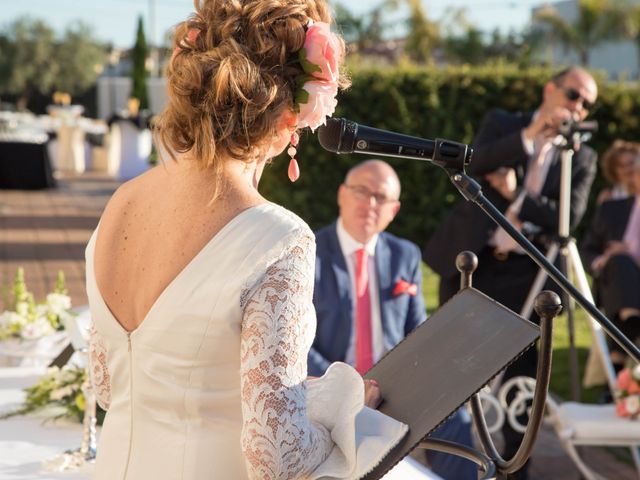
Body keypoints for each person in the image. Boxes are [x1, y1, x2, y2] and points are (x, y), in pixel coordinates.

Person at [86, 2, 407, 479]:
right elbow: (275, 456)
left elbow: (107, 385)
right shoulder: (278, 238)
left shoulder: (120, 204)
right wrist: (342, 412)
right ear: (289, 119)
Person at [424, 66, 598, 479]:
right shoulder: (504, 124)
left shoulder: (583, 156)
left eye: (588, 103)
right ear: (550, 89)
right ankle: (453, 466)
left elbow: (566, 220)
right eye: (574, 94)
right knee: (455, 371)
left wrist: (516, 194)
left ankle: (516, 472)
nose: (579, 106)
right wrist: (530, 135)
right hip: (475, 264)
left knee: (523, 381)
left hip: (529, 274)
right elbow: (474, 163)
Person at [310, 159, 476, 480]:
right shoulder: (310, 252)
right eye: (361, 192)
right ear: (342, 195)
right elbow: (298, 342)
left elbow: (419, 333)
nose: (370, 204)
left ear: (394, 210)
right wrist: (347, 387)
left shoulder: (405, 254)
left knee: (457, 421)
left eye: (381, 197)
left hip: (394, 388)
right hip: (330, 385)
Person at [582, 153, 640, 372]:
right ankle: (632, 322)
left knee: (623, 259)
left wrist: (630, 250)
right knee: (619, 263)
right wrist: (604, 260)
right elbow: (588, 249)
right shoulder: (611, 208)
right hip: (616, 281)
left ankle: (617, 368)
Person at [596, 139, 639, 204]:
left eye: (631, 163)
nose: (627, 169)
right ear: (613, 170)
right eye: (621, 165)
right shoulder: (608, 197)